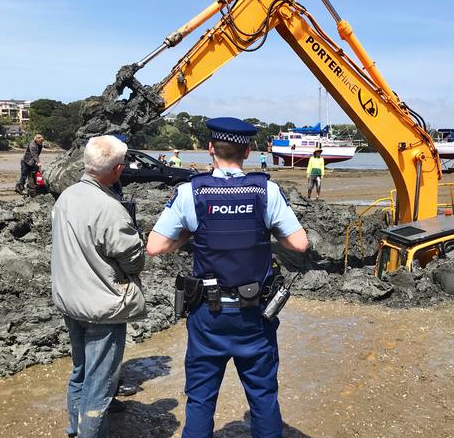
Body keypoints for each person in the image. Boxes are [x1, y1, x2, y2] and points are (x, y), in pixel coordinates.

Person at [146, 117, 308, 438]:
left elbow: (155, 246)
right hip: (255, 317)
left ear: (210, 150)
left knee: (201, 399)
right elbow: (299, 244)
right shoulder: (266, 191)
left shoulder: (191, 192)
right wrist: (266, 231)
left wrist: (187, 237)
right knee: (263, 398)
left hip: (208, 315)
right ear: (247, 152)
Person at [51, 135, 146, 438]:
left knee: (80, 373)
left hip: (70, 299)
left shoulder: (66, 196)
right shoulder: (110, 208)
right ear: (118, 169)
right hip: (102, 307)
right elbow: (134, 262)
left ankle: (75, 429)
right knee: (100, 384)